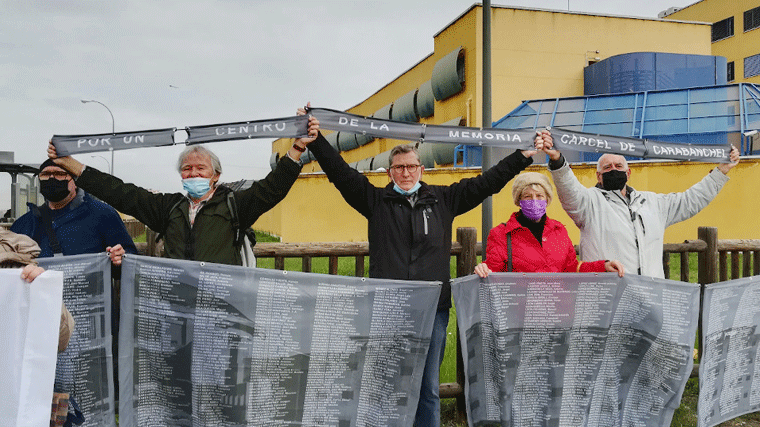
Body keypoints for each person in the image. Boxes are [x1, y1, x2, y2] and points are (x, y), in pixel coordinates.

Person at [300, 105, 539, 427]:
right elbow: (340, 172)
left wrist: (522, 156)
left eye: (411, 166)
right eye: (399, 168)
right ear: (390, 173)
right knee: (389, 381)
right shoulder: (374, 201)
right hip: (388, 307)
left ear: (421, 169)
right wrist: (316, 141)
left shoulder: (443, 200)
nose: (406, 173)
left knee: (427, 386)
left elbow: (487, 182)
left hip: (433, 309)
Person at [45, 119, 319, 265]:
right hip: (178, 305)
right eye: (187, 169)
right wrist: (71, 165)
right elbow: (121, 193)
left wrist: (296, 149)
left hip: (223, 305)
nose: (193, 174)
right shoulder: (169, 208)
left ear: (216, 176)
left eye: (201, 168)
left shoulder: (236, 205)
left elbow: (272, 189)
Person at [538, 130, 740, 278]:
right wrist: (557, 160)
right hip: (609, 295)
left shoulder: (653, 202)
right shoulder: (588, 202)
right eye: (607, 167)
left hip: (650, 296)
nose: (613, 170)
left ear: (628, 173)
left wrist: (720, 173)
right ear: (598, 175)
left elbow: (690, 200)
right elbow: (569, 189)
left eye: (619, 166)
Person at [473, 172, 624, 278]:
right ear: (519, 201)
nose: (534, 200)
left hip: (555, 310)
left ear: (547, 200)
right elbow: (492, 271)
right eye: (527, 196)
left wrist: (603, 266)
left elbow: (572, 269)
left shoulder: (559, 230)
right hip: (519, 314)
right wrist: (483, 269)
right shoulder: (501, 233)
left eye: (539, 196)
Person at [11, 159, 137, 266]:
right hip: (41, 293)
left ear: (74, 181)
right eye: (45, 174)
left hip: (89, 293)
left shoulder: (103, 214)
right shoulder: (25, 223)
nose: (51, 178)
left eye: (59, 173)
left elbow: (129, 257)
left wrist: (120, 258)